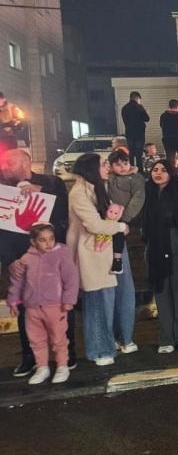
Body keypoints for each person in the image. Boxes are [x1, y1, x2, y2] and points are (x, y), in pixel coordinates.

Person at [1, 149, 75, 377]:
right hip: (20, 259)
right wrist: (9, 260)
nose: (5, 167)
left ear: (26, 162)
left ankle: (67, 355)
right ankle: (30, 357)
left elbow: (63, 213)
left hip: (51, 259)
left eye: (10, 163)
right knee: (26, 310)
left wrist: (40, 191)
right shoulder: (3, 189)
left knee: (60, 306)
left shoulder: (51, 183)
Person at [68, 153, 130, 366]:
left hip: (101, 253)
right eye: (103, 164)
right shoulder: (79, 192)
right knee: (97, 304)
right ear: (91, 168)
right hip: (90, 255)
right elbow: (93, 224)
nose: (107, 167)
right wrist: (120, 227)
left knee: (105, 302)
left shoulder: (95, 188)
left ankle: (105, 344)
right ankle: (99, 350)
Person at [7, 224, 79, 385]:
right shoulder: (26, 258)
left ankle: (62, 366)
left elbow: (71, 278)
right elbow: (17, 281)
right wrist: (13, 300)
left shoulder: (61, 254)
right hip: (32, 307)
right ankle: (42, 367)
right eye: (42, 240)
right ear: (33, 242)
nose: (48, 243)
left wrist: (68, 300)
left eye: (51, 239)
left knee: (59, 338)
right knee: (36, 339)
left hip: (55, 306)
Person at [143, 159, 178, 353]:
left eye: (164, 170)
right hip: (156, 245)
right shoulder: (147, 192)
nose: (158, 173)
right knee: (162, 290)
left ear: (171, 173)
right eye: (155, 170)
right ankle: (166, 337)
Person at [105, 150, 142, 350]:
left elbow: (138, 199)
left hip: (122, 224)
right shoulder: (108, 179)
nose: (122, 167)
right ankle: (119, 337)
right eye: (117, 164)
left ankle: (122, 336)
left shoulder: (135, 179)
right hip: (110, 225)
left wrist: (124, 219)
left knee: (123, 287)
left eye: (125, 163)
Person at [120, 91, 149, 168]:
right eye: (139, 99)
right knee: (139, 153)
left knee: (131, 152)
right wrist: (145, 112)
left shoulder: (124, 108)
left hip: (129, 133)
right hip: (139, 134)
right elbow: (147, 119)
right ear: (137, 98)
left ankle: (131, 168)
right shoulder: (139, 107)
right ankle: (140, 169)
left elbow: (125, 120)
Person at [159, 99, 178, 166]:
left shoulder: (163, 116)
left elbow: (161, 125)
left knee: (170, 158)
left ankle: (171, 171)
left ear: (169, 106)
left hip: (167, 139)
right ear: (177, 107)